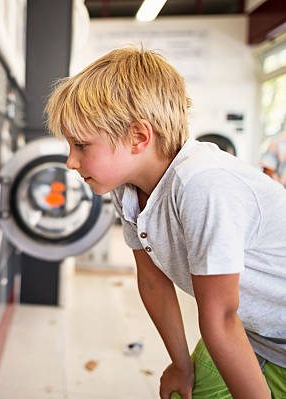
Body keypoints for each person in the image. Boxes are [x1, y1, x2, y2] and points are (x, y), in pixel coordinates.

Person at [45, 47, 286, 398]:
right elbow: (154, 282)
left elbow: (220, 316)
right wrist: (180, 364)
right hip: (255, 332)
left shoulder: (201, 184)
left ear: (139, 137)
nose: (71, 161)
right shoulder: (128, 187)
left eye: (81, 145)